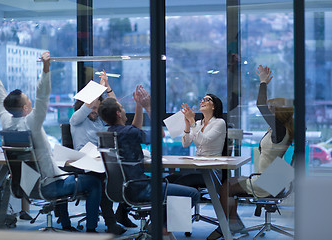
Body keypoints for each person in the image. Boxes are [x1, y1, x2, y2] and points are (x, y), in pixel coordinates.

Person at [0, 52, 101, 233]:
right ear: (25, 108)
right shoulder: (32, 121)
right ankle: (92, 230)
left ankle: (65, 225)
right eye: (28, 101)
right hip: (49, 185)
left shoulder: (6, 121)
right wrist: (46, 69)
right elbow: (43, 96)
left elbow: (1, 99)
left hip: (28, 186)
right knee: (94, 183)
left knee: (63, 174)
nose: (32, 102)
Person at [98, 85, 200, 239]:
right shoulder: (128, 133)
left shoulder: (110, 133)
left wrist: (139, 105)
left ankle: (156, 224)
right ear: (119, 113)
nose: (125, 110)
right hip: (140, 188)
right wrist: (149, 107)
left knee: (172, 181)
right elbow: (160, 134)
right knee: (192, 194)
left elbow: (134, 129)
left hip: (123, 188)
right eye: (122, 108)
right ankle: (162, 227)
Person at [207, 65, 294, 240]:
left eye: (271, 109)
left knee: (225, 188)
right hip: (273, 179)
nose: (268, 111)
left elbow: (260, 104)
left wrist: (263, 83)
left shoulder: (279, 130)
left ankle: (225, 227)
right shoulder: (281, 130)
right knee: (228, 183)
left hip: (266, 182)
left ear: (279, 113)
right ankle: (233, 222)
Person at [69, 71, 136, 235]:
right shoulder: (77, 119)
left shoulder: (99, 120)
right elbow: (87, 106)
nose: (94, 110)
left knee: (128, 174)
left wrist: (108, 88)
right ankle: (111, 222)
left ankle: (121, 212)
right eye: (91, 107)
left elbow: (115, 108)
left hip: (100, 162)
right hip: (84, 163)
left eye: (97, 109)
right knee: (103, 181)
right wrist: (98, 88)